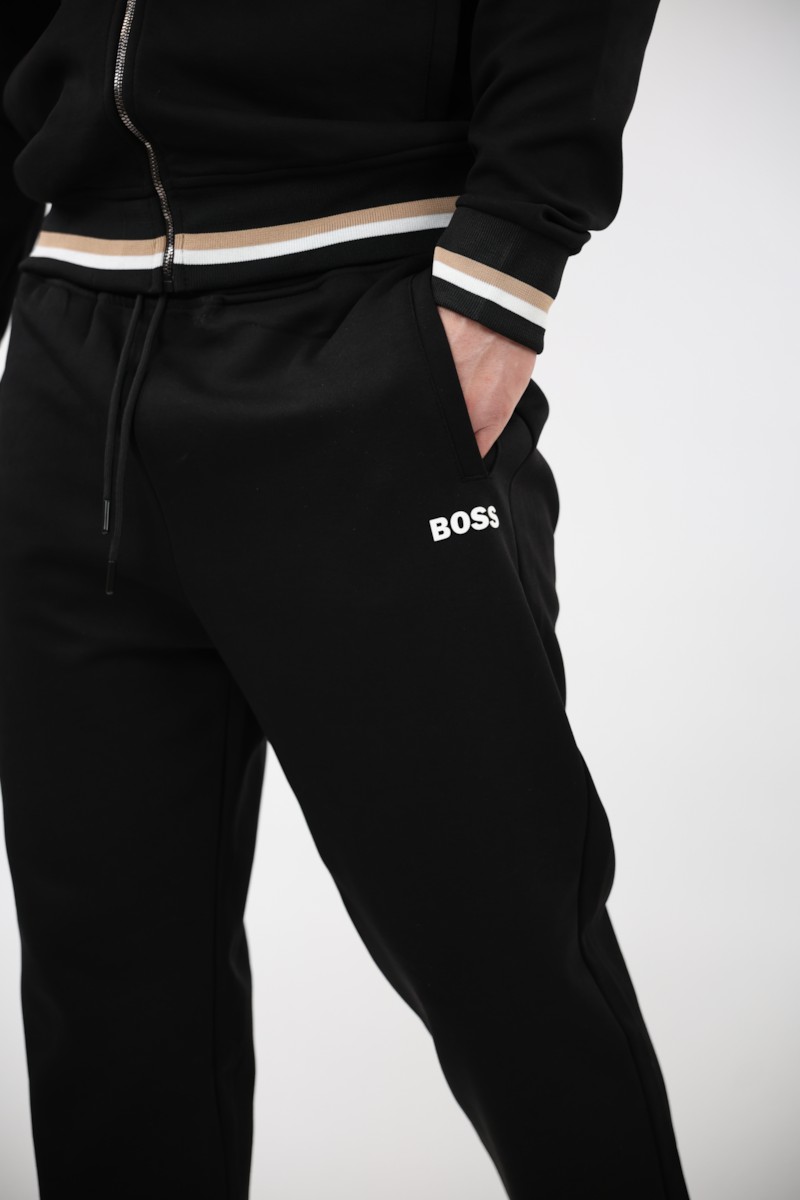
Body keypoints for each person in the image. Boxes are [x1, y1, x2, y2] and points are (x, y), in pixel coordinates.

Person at [0, 2, 692, 1198]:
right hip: (68, 342)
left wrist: (503, 269)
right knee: (104, 985)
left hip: (354, 324)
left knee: (503, 951)